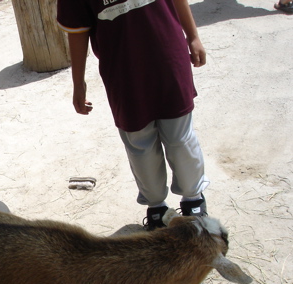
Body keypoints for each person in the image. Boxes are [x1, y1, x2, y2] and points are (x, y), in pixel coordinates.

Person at [57, 0, 210, 230]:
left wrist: (193, 36)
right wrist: (78, 83)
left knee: (180, 139)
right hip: (122, 70)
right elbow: (78, 31)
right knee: (140, 145)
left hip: (168, 55)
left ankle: (193, 200)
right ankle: (157, 207)